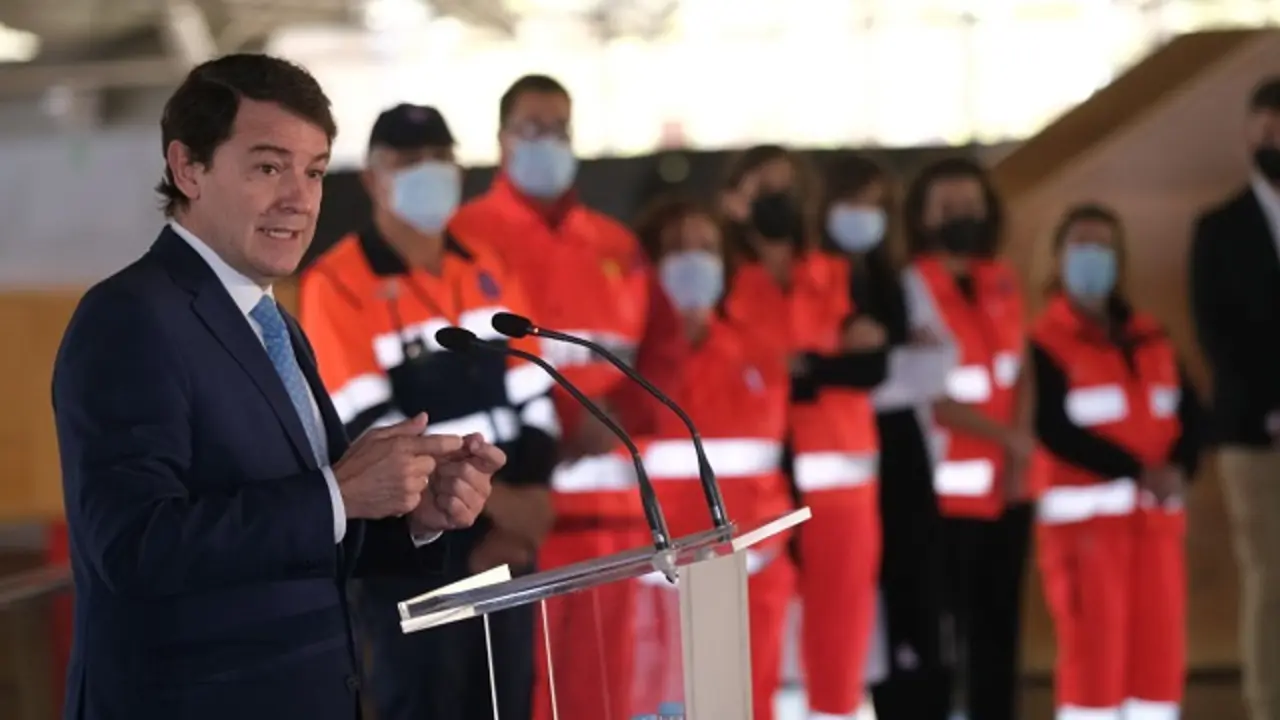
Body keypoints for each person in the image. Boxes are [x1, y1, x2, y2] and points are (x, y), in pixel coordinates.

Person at [50, 54, 500, 720]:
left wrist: (414, 516)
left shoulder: (273, 324)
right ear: (187, 168)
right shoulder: (129, 317)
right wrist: (340, 493)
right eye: (268, 167)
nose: (301, 198)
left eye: (314, 171)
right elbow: (132, 545)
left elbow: (310, 534)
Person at [298, 103, 559, 720]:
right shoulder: (336, 285)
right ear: (371, 178)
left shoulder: (487, 268)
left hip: (511, 546)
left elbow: (535, 396)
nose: (429, 172)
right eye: (409, 162)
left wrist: (530, 505)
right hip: (412, 559)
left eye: (441, 159)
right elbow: (370, 428)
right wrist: (500, 511)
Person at [449, 74, 685, 720]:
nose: (547, 143)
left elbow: (663, 356)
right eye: (532, 129)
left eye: (559, 130)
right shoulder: (461, 238)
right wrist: (554, 434)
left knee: (608, 697)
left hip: (621, 525)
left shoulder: (616, 246)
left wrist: (619, 420)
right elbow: (462, 375)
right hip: (520, 521)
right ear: (501, 140)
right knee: (526, 697)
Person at [721, 145, 887, 720]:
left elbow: (871, 366)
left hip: (841, 481)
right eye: (763, 187)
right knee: (748, 640)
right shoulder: (719, 282)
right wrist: (824, 360)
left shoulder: (839, 273)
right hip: (754, 486)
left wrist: (798, 368)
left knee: (841, 639)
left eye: (787, 187)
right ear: (732, 200)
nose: (778, 200)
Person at [1032, 203, 1204, 720]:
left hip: (1155, 530)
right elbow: (1054, 428)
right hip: (1086, 536)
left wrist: (1179, 468)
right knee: (1094, 672)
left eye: (1103, 246)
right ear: (1058, 258)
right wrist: (1137, 471)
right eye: (1081, 245)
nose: (1093, 257)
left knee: (1157, 670)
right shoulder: (1045, 344)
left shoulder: (1152, 339)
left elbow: (1192, 415)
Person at [629, 196, 796, 720]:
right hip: (655, 587)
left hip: (751, 580)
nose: (692, 260)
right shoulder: (624, 363)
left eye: (705, 248)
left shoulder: (759, 354)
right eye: (676, 249)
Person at [819, 154, 955, 720]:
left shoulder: (900, 280)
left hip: (902, 458)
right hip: (838, 456)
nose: (864, 217)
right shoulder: (816, 278)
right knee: (848, 609)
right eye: (853, 203)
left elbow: (939, 364)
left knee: (914, 601)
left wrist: (869, 369)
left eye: (876, 206)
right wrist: (868, 370)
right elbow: (817, 375)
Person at [902, 156, 1035, 720]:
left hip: (1006, 492)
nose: (962, 216)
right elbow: (926, 390)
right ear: (924, 216)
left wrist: (1021, 446)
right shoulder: (911, 284)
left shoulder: (1000, 276)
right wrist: (1008, 437)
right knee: (942, 642)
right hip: (941, 495)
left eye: (970, 205)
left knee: (998, 634)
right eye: (947, 207)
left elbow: (1020, 365)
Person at [1189, 74, 1280, 720]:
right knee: (1271, 578)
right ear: (1249, 134)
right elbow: (1218, 336)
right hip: (1256, 434)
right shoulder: (1220, 228)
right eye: (1267, 129)